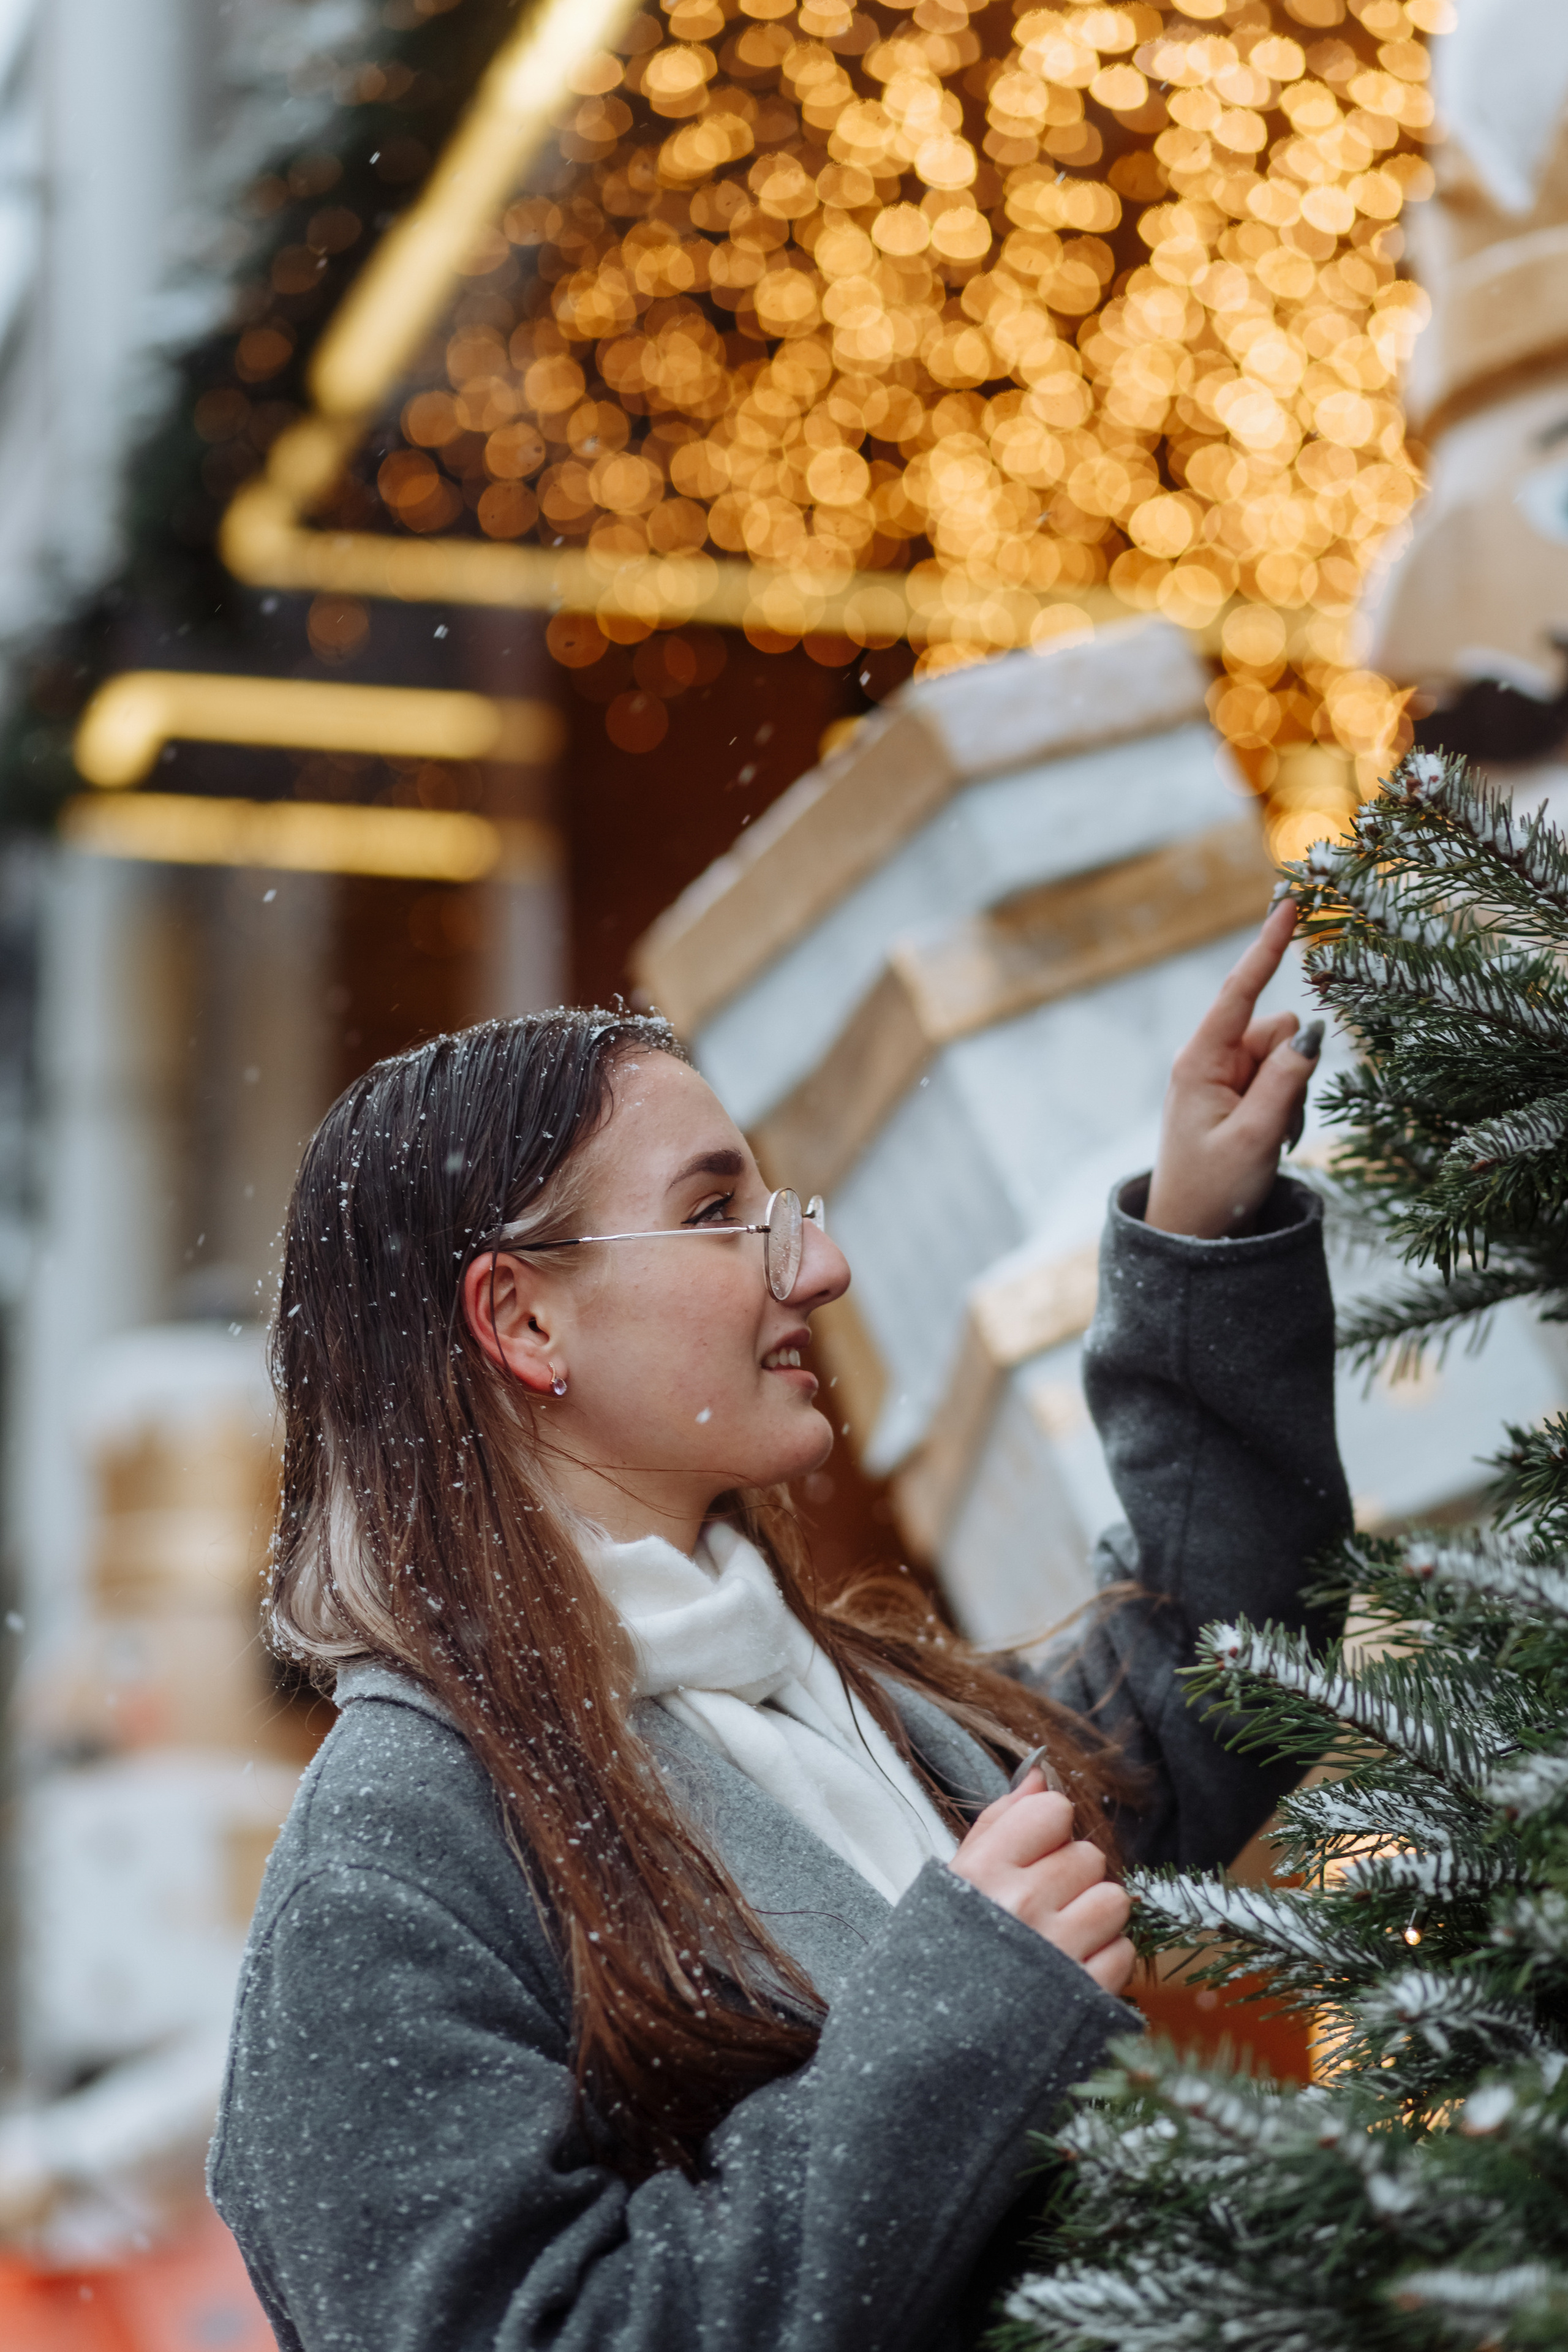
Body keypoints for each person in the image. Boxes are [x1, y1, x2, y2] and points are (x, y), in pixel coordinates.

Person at [209, 899, 1348, 2352]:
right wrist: (962, 2025)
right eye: (714, 1216)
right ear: (524, 1323)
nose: (815, 1268)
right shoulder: (393, 1849)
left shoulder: (852, 1700)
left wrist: (1199, 1234)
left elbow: (1223, 1670)